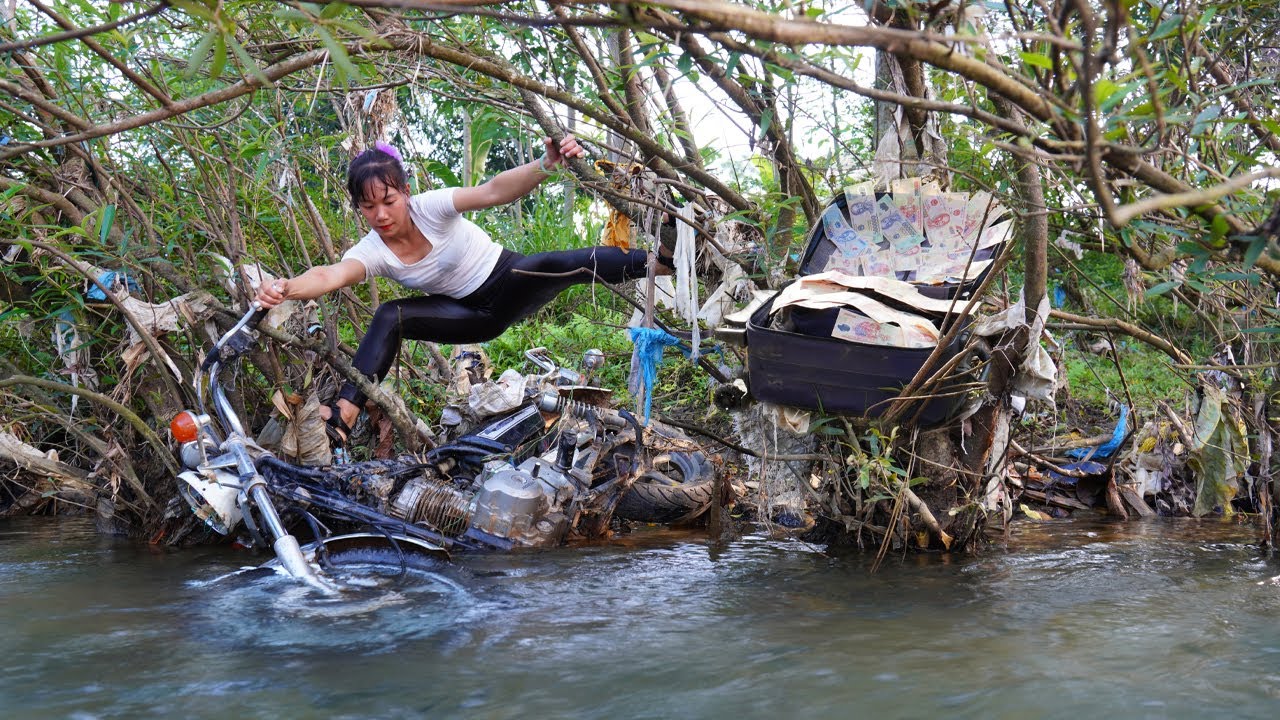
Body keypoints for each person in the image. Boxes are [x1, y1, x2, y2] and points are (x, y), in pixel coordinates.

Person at [254, 135, 674, 447]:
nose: (381, 215)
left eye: (388, 200)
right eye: (368, 207)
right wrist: (287, 288)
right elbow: (329, 275)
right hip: (467, 316)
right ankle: (343, 417)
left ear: (404, 192)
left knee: (553, 263)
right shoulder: (373, 250)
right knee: (390, 316)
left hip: (508, 280)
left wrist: (545, 165)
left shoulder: (432, 206)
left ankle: (662, 261)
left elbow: (493, 190)